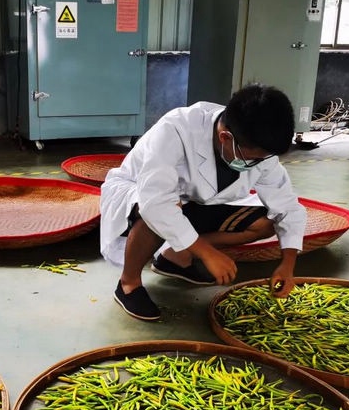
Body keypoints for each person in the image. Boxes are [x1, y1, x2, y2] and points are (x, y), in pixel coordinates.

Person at [99, 83, 307, 321]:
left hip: (198, 200)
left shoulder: (257, 147)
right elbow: (155, 203)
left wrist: (288, 264)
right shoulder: (175, 129)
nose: (258, 164)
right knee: (164, 211)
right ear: (225, 137)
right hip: (140, 194)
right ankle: (128, 283)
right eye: (252, 159)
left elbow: (287, 207)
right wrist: (207, 253)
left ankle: (175, 257)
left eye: (263, 159)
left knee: (265, 224)